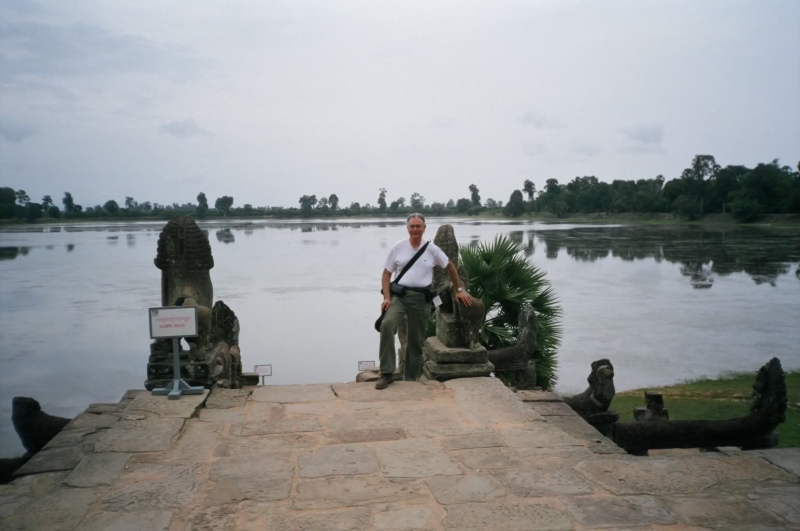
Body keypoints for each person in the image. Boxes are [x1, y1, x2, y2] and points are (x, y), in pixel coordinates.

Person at [376, 213, 473, 389]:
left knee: (416, 339)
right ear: (407, 228)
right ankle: (387, 372)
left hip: (421, 299)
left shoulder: (432, 249)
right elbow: (386, 274)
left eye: (418, 226)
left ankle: (410, 378)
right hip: (400, 297)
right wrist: (387, 298)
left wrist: (459, 290)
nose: (415, 229)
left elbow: (450, 266)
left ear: (424, 228)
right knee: (387, 325)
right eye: (412, 226)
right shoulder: (398, 247)